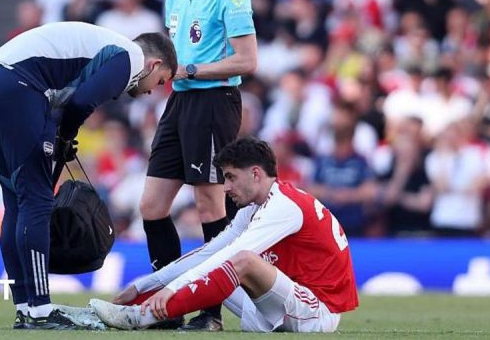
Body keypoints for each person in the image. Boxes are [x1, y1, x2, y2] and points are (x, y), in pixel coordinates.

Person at [0, 21, 177, 330]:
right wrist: (65, 138)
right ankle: (40, 310)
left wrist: (59, 137)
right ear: (154, 64)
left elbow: (70, 98)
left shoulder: (106, 48)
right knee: (37, 202)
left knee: (16, 202)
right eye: (160, 81)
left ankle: (26, 307)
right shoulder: (131, 56)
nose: (150, 91)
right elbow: (82, 101)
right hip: (18, 85)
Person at [90, 137, 358, 332]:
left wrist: (170, 290)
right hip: (281, 304)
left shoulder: (285, 206)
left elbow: (233, 255)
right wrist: (143, 286)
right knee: (219, 257)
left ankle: (140, 317)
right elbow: (212, 251)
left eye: (230, 177)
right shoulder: (256, 206)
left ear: (255, 174)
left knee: (242, 261)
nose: (225, 187)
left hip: (315, 313)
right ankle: (129, 308)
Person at [140, 0, 258, 331]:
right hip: (180, 102)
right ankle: (167, 308)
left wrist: (189, 70)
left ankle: (210, 313)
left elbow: (247, 60)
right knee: (152, 207)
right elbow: (176, 51)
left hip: (213, 101)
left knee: (210, 205)